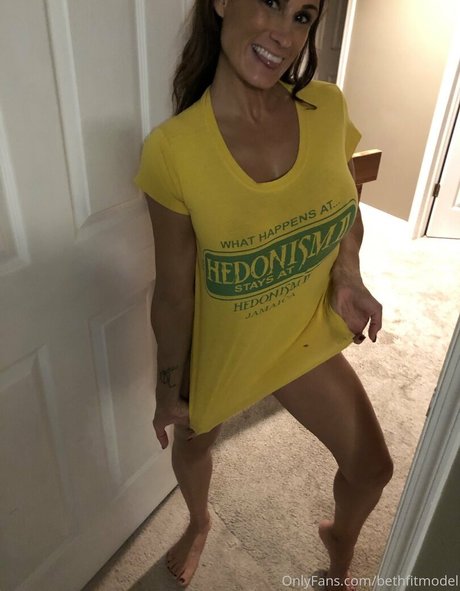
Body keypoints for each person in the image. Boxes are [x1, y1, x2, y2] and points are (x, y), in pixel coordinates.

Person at [133, 0, 394, 588]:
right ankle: (199, 521)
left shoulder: (328, 108)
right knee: (194, 443)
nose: (284, 33)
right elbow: (173, 296)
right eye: (272, 1)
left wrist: (347, 274)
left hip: (299, 335)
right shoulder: (173, 151)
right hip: (224, 349)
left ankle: (340, 543)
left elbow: (346, 207)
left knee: (373, 469)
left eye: (302, 16)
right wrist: (168, 390)